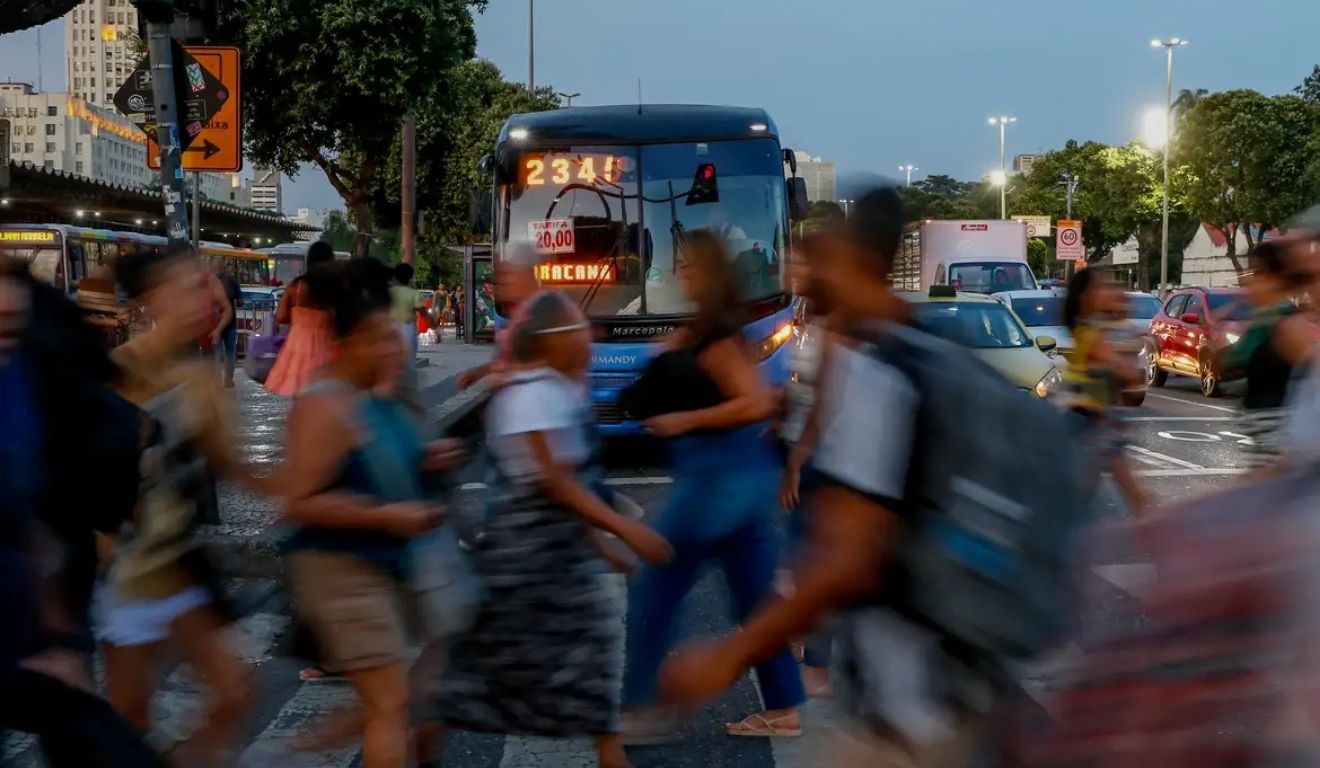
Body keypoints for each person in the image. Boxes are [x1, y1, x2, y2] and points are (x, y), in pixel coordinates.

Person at [656, 188, 997, 765]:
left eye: (821, 253)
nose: (801, 266)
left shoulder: (874, 369)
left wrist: (727, 657)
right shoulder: (930, 347)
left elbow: (846, 563)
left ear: (856, 259)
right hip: (953, 681)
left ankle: (802, 682)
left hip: (908, 708)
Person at [428, 291, 671, 768]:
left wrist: (600, 546)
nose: (590, 338)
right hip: (523, 569)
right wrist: (624, 529)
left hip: (556, 566)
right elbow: (556, 484)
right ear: (552, 341)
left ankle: (609, 753)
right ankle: (418, 748)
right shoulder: (531, 394)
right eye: (579, 330)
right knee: (471, 682)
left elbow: (567, 483)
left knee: (587, 675)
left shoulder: (554, 388)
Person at [275, 257, 461, 768]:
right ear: (349, 342)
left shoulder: (372, 397)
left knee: (409, 689)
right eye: (379, 339)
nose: (392, 348)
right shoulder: (323, 405)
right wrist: (388, 515)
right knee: (391, 705)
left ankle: (318, 739)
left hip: (385, 563)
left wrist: (426, 458)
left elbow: (384, 461)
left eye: (392, 337)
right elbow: (299, 501)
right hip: (339, 570)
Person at [620, 229, 806, 741]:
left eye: (689, 266)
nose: (681, 274)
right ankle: (785, 706)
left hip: (717, 483)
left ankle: (641, 707)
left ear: (710, 273)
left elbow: (755, 403)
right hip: (733, 481)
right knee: (755, 600)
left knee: (655, 585)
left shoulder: (719, 335)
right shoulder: (704, 330)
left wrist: (685, 422)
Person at [99, 246, 268, 768]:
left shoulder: (203, 379)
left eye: (208, 287)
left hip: (179, 566)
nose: (209, 300)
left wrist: (303, 482)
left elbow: (230, 467)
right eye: (191, 287)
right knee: (130, 721)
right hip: (124, 573)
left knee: (235, 694)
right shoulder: (118, 372)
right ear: (152, 300)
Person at [0, 258, 169, 768]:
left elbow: (31, 525)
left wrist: (58, 634)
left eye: (14, 328)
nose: (8, 344)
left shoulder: (19, 386)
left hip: (25, 613)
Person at [778, 232, 844, 700]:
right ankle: (808, 644)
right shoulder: (804, 313)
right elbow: (803, 384)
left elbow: (827, 401)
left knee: (815, 559)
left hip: (821, 455)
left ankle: (819, 667)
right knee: (802, 558)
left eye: (797, 262)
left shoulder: (835, 322)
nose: (788, 267)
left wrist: (797, 463)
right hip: (800, 446)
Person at [1062, 269, 1148, 514]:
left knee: (1087, 495)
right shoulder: (1090, 334)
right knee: (1087, 497)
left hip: (1098, 418)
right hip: (1087, 419)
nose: (1108, 291)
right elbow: (1127, 373)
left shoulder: (1091, 328)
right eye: (1101, 288)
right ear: (1085, 297)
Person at [1228, 241, 1317, 468]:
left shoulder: (1289, 325)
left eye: (1258, 273)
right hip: (1267, 455)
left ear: (1278, 280)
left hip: (1282, 456)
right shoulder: (1264, 320)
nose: (1250, 280)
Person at [266, 241, 337, 396]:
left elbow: (281, 316)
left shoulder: (296, 286)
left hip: (298, 345)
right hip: (328, 344)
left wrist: (300, 318)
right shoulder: (336, 287)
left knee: (299, 390)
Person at [208, 258, 242, 389]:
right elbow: (240, 301)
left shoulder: (209, 282)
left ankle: (216, 380)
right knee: (230, 352)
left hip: (214, 322)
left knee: (216, 352)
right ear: (223, 267)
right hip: (230, 322)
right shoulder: (232, 281)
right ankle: (228, 379)